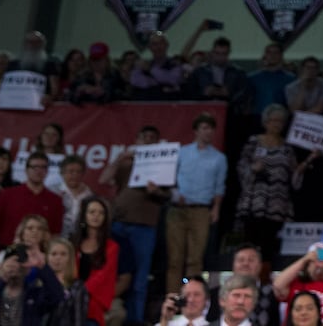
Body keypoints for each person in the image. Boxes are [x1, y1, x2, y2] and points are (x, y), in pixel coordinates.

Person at [101, 123, 168, 324]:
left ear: (158, 143)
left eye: (152, 137)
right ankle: (106, 314)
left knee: (139, 279)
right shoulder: (126, 163)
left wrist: (156, 191)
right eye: (144, 137)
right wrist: (119, 159)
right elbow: (104, 179)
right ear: (137, 140)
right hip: (118, 224)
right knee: (112, 273)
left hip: (144, 227)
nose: (148, 140)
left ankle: (135, 321)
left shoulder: (163, 165)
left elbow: (170, 196)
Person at [236, 104, 306, 262]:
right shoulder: (254, 142)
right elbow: (241, 167)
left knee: (269, 250)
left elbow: (294, 178)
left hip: (277, 204)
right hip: (254, 203)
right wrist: (253, 169)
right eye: (273, 120)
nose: (277, 124)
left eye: (281, 121)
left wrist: (301, 169)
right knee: (249, 248)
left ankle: (266, 284)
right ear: (265, 122)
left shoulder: (287, 147)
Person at [167, 112, 226, 288]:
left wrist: (216, 208)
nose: (208, 132)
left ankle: (191, 295)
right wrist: (175, 193)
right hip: (178, 209)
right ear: (196, 130)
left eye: (211, 129)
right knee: (175, 259)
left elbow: (219, 186)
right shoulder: (182, 152)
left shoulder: (219, 158)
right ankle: (173, 297)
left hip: (201, 210)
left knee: (195, 259)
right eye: (205, 128)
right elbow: (170, 178)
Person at [0, 151, 64, 242]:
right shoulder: (7, 195)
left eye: (43, 167)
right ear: (26, 170)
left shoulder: (55, 201)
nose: (38, 171)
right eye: (34, 167)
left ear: (47, 171)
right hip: (7, 250)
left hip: (40, 253)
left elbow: (55, 234)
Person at [0, 243, 65, 326]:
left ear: (28, 270)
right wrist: (3, 279)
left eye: (20, 262)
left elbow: (57, 296)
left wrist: (42, 266)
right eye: (11, 261)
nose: (15, 265)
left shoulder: (34, 294)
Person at [69, 196, 116, 326]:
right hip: (70, 296)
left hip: (93, 299)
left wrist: (80, 292)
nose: (96, 216)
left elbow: (103, 276)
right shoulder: (73, 243)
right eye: (92, 212)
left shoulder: (111, 247)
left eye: (101, 213)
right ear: (84, 215)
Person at [210, 244, 280, 326]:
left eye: (251, 260)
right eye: (241, 260)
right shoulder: (215, 293)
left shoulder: (272, 294)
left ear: (260, 265)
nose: (245, 263)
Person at [188, 32, 252, 114]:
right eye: (217, 53)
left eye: (224, 54)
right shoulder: (200, 71)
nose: (220, 57)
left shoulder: (238, 73)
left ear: (229, 53)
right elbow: (190, 92)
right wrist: (203, 93)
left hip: (229, 112)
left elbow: (244, 93)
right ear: (212, 52)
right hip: (204, 111)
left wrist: (229, 95)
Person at [52, 158, 94, 239]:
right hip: (57, 238)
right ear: (62, 173)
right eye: (71, 171)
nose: (75, 175)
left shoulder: (90, 195)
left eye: (79, 172)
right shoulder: (53, 192)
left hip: (81, 238)